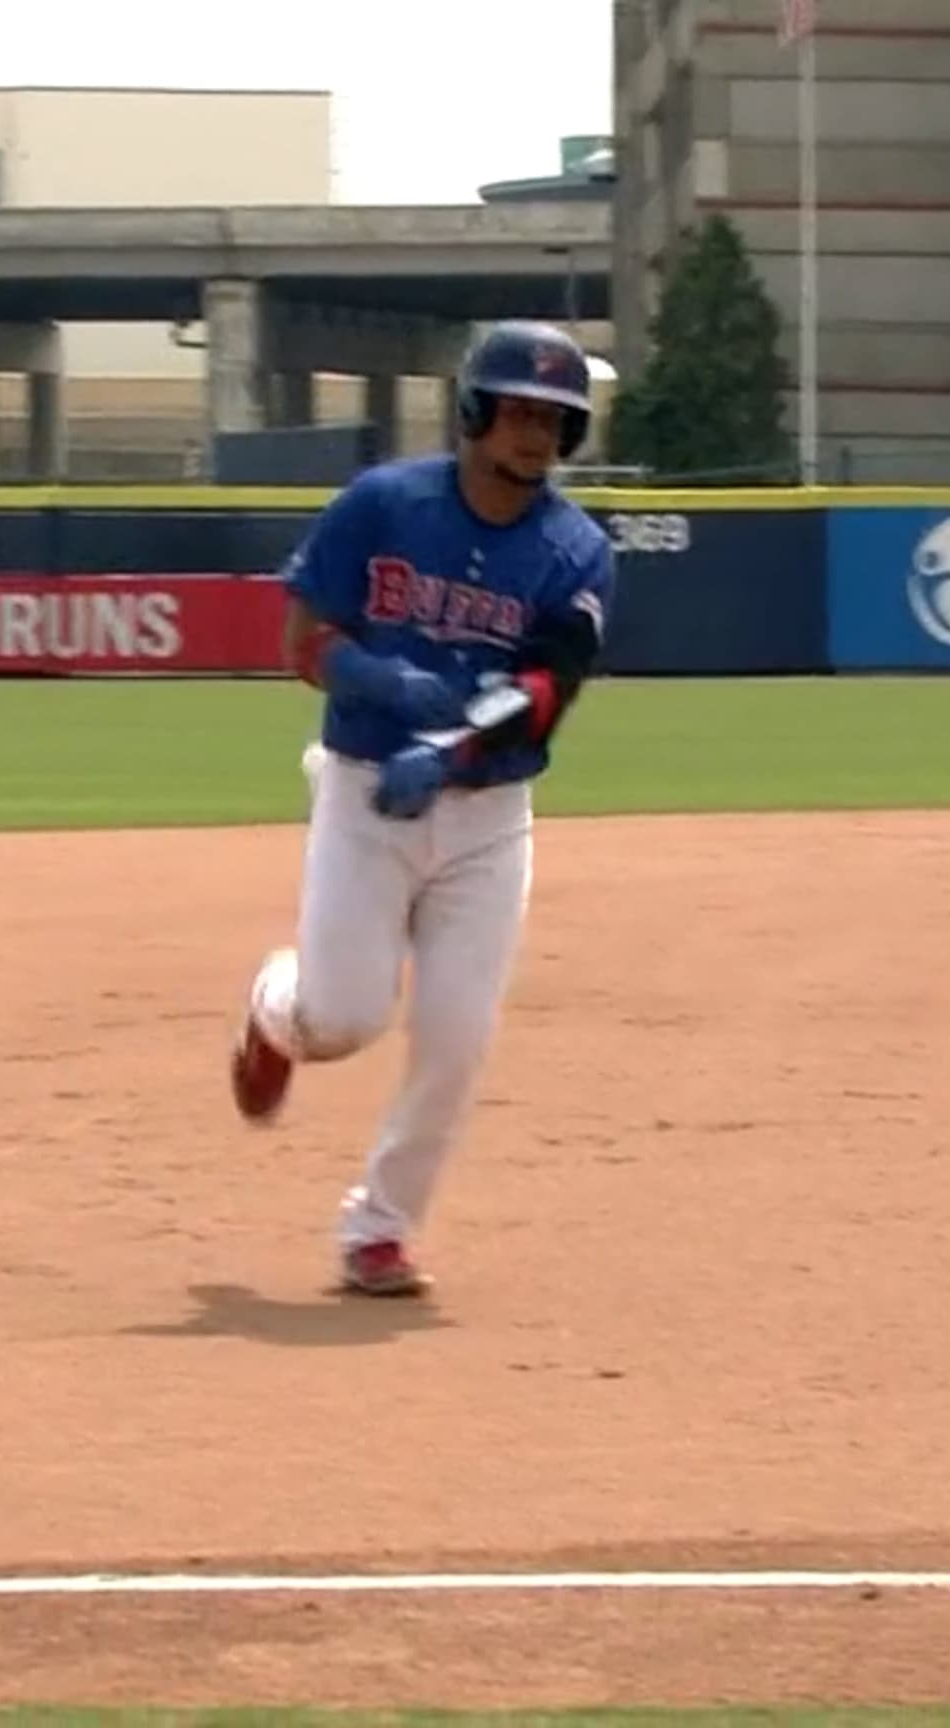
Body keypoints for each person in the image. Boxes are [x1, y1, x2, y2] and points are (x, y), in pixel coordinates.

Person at [226, 320, 618, 1299]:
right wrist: (385, 682)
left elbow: (548, 684)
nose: (533, 433)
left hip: (487, 817)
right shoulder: (382, 504)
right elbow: (303, 638)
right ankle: (277, 1012)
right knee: (341, 1020)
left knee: (456, 1038)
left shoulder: (576, 549)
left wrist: (448, 744)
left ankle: (379, 1229)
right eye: (519, 411)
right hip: (367, 795)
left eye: (555, 418)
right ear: (477, 413)